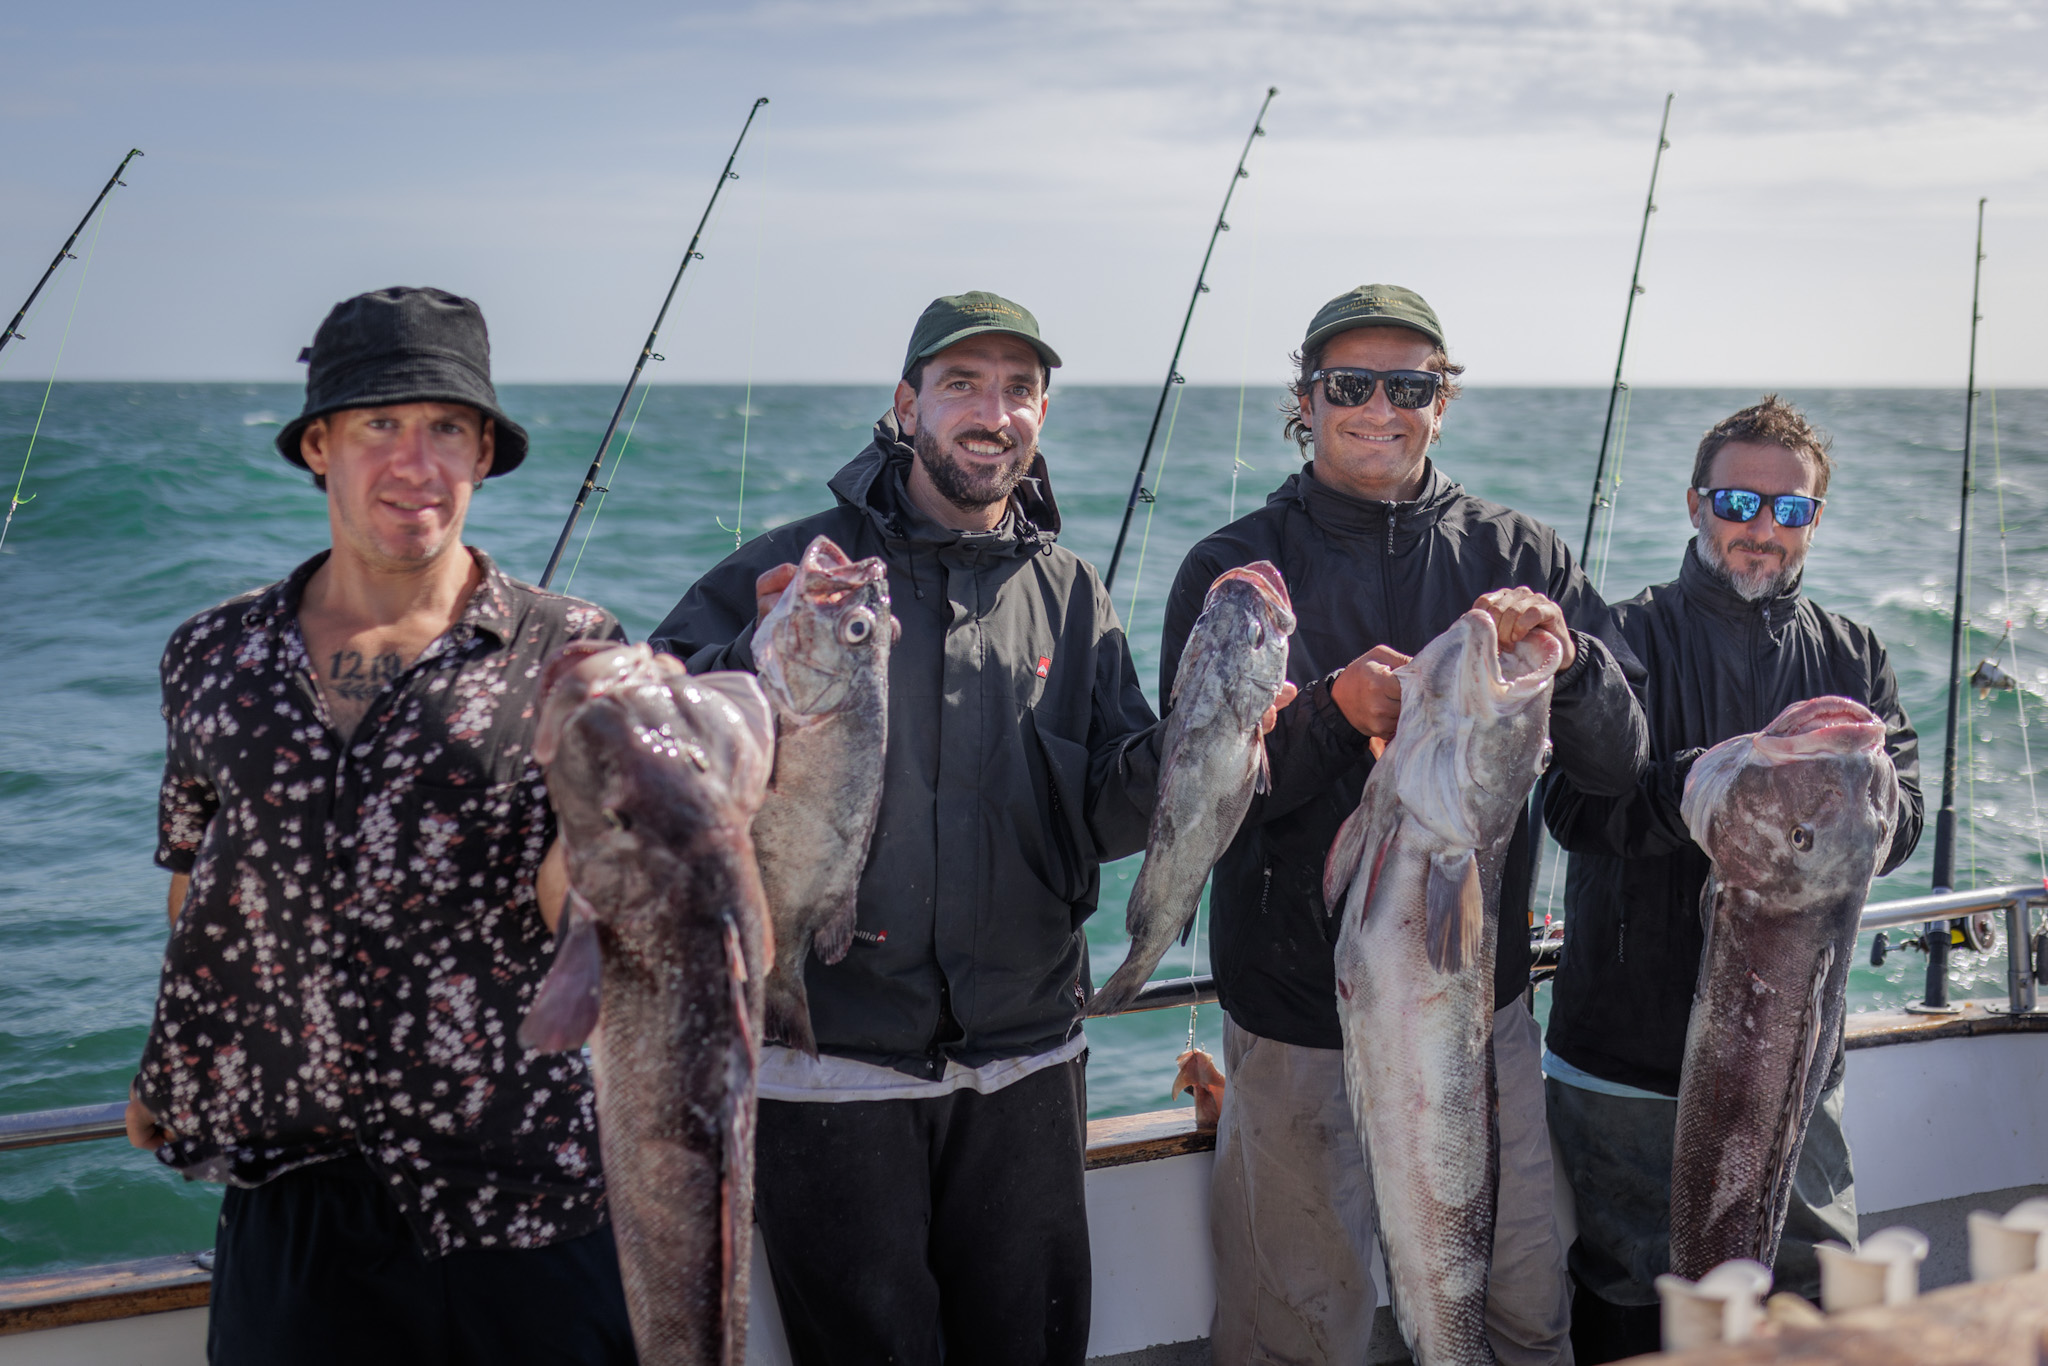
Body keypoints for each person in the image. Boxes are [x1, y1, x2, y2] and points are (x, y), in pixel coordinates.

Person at [652, 291, 1275, 1366]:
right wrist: (747, 663)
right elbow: (659, 727)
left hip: (1028, 1065)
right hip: (827, 1063)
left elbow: (1110, 805)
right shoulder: (794, 566)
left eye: (1019, 390)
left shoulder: (1074, 595)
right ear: (906, 404)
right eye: (961, 385)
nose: (993, 412)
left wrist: (1212, 739)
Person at [125, 287, 634, 1365]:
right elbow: (200, 888)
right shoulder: (210, 654)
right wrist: (166, 1063)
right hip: (292, 1185)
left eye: (448, 427)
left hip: (518, 1184)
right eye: (379, 426)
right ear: (320, 445)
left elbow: (576, 912)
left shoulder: (574, 649)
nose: (417, 461)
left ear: (485, 452)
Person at [1162, 284, 1647, 1366]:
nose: (1378, 406)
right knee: (1297, 1328)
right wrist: (1332, 717)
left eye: (1410, 384)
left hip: (1477, 1014)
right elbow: (1196, 802)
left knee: (1517, 1305)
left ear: (1443, 400)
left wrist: (1567, 667)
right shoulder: (1230, 571)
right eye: (1349, 384)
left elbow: (1617, 765)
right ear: (1306, 398)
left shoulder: (1519, 551)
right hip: (1293, 1024)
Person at [1540, 395, 1923, 1361]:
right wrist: (1722, 796)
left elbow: (1909, 817)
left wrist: (1849, 802)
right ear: (1696, 504)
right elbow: (1576, 807)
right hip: (1626, 1059)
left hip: (1796, 1054)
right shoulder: (1620, 642)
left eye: (1789, 511)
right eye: (1737, 502)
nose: (1761, 529)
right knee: (1634, 1285)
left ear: (1815, 521)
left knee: (1811, 1282)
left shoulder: (1852, 656)